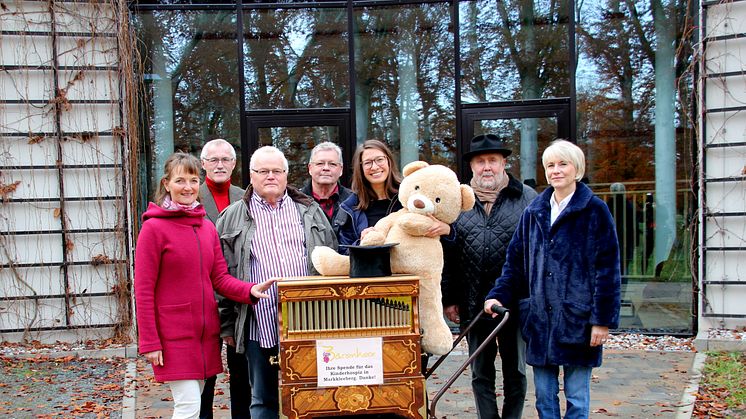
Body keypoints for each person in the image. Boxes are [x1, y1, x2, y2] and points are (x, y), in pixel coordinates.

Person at [484, 140, 621, 419]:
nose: (555, 171)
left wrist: (602, 320)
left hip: (578, 320)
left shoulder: (595, 210)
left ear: (577, 169)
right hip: (541, 321)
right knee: (544, 401)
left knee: (577, 399)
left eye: (562, 164)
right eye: (550, 165)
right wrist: (498, 294)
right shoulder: (534, 212)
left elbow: (607, 270)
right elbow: (515, 263)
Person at [135, 152, 276, 419]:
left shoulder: (206, 227)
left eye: (192, 180)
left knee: (195, 403)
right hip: (173, 335)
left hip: (205, 335)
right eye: (179, 181)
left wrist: (249, 291)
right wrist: (150, 341)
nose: (187, 187)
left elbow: (220, 278)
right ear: (166, 184)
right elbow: (143, 291)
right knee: (188, 407)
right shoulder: (153, 229)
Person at [216, 146, 337, 419]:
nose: (270, 176)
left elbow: (332, 261)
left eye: (277, 171)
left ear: (286, 174)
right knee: (262, 399)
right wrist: (226, 325)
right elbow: (221, 275)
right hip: (259, 322)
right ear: (251, 175)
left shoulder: (309, 210)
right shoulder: (232, 216)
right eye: (263, 171)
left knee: (314, 395)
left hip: (310, 320)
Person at [441, 134, 537, 419]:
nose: (487, 167)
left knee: (515, 371)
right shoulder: (457, 202)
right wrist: (450, 298)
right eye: (480, 161)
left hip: (513, 304)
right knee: (480, 372)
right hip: (472, 301)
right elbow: (447, 255)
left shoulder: (526, 199)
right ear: (471, 166)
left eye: (492, 161)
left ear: (504, 163)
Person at [198, 139, 250, 419]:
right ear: (203, 163)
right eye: (213, 159)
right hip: (204, 300)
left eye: (225, 159)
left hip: (236, 298)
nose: (219, 164)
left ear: (233, 164)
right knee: (204, 376)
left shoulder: (245, 197)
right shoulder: (190, 196)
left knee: (241, 374)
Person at [300, 141, 353, 237]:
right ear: (310, 168)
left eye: (332, 164)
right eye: (320, 163)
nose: (326, 168)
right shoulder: (296, 202)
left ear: (341, 169)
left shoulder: (354, 201)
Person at [606, 182, 637, 276]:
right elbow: (633, 223)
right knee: (624, 263)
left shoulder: (607, 205)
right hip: (626, 238)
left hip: (609, 238)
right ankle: (622, 282)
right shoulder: (628, 205)